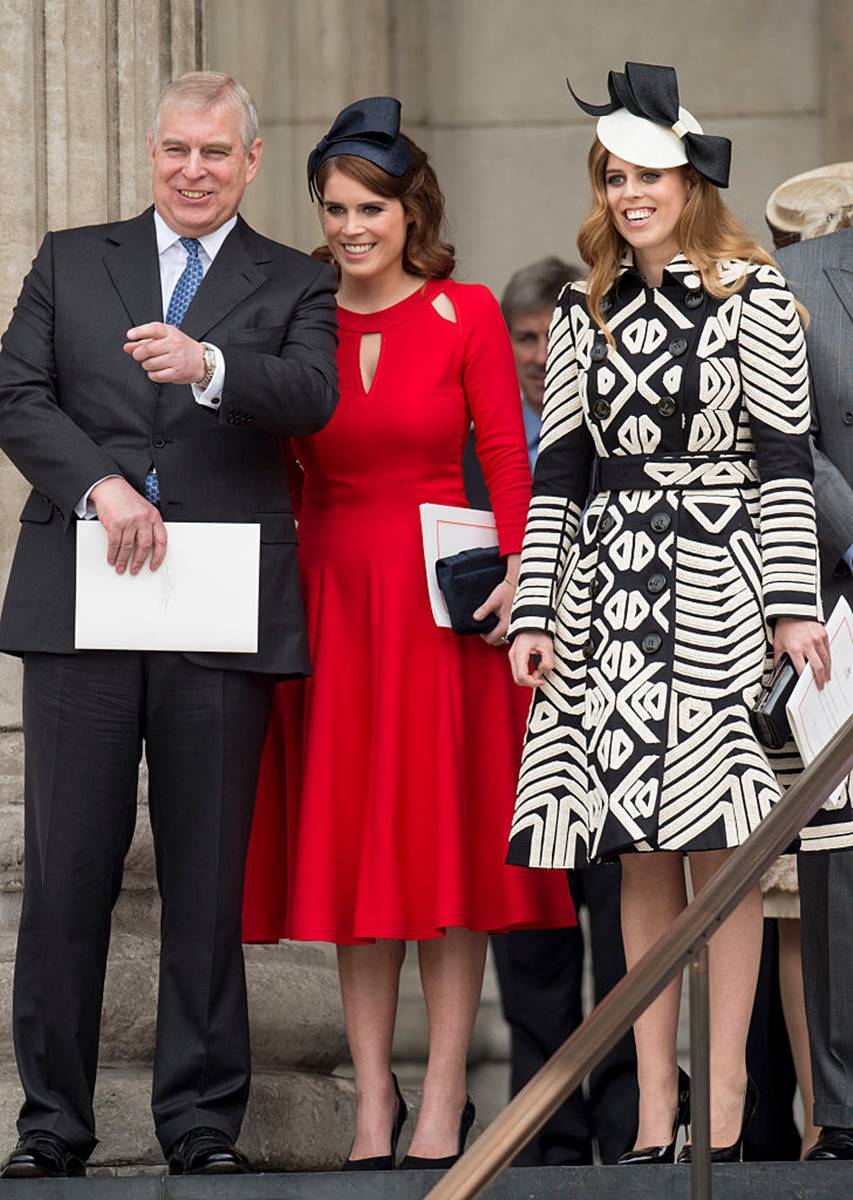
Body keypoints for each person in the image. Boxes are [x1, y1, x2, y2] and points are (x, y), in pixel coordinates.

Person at [0, 71, 338, 1179]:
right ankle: (52, 1122)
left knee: (205, 873)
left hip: (217, 603)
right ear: (153, 154)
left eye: (214, 153)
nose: (192, 170)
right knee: (66, 871)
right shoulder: (69, 255)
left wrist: (211, 367)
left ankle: (201, 1123)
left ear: (249, 161)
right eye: (174, 150)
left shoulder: (292, 279)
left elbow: (310, 397)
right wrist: (103, 487)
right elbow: (18, 395)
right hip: (83, 590)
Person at [241, 96, 574, 1171]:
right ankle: (372, 1100)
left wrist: (527, 574)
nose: (350, 227)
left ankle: (441, 1102)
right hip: (332, 600)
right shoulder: (299, 316)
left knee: (445, 854)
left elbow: (509, 457)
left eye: (370, 207)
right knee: (355, 862)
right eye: (334, 208)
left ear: (408, 209)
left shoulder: (466, 312)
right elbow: (275, 465)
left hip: (442, 611)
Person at [507, 61, 828, 1166]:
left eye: (647, 175)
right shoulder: (579, 307)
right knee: (633, 848)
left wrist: (791, 605)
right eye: (613, 177)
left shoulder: (755, 294)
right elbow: (557, 475)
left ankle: (728, 1104)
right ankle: (656, 1110)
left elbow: (786, 462)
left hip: (720, 587)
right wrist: (535, 609)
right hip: (606, 591)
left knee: (723, 851)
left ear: (691, 181)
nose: (629, 194)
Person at [467, 256, 638, 1165]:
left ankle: (630, 1122)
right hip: (507, 707)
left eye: (549, 336)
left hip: (612, 706)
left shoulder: (623, 421)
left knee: (620, 931)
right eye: (523, 339)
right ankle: (544, 1140)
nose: (537, 355)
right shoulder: (472, 443)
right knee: (528, 937)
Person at [770, 165, 853, 1161]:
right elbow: (787, 437)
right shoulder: (800, 281)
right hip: (841, 593)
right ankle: (842, 1107)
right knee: (838, 868)